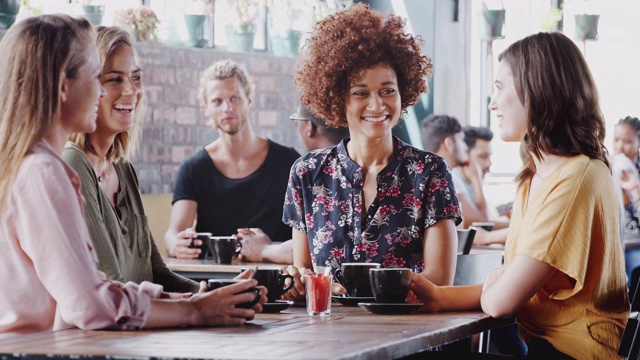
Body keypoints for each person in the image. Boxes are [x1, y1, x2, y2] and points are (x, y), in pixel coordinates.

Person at [0, 14, 266, 336]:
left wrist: (207, 297)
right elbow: (90, 303)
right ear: (62, 86)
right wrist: (194, 310)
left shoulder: (42, 167)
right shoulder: (44, 172)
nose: (104, 91)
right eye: (96, 76)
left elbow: (109, 286)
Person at [409, 32, 629, 359]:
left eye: (500, 88)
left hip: (575, 353)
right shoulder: (533, 177)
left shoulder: (577, 177)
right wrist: (439, 296)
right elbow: (502, 288)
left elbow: (500, 301)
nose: (492, 103)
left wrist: (498, 282)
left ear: (537, 90)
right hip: (545, 348)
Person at [282, 3, 461, 300]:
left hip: (407, 336)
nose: (377, 105)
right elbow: (303, 271)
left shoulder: (430, 172)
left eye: (388, 91)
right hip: (327, 337)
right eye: (361, 93)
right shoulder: (306, 173)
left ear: (404, 91)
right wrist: (301, 283)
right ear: (338, 100)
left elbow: (439, 281)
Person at [62, 26, 198, 294]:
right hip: (105, 334)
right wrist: (198, 305)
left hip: (140, 332)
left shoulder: (123, 169)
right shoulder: (72, 162)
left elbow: (157, 272)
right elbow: (112, 286)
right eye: (114, 79)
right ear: (87, 86)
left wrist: (221, 293)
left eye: (136, 77)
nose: (131, 90)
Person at [164, 59, 301, 259]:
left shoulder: (288, 162)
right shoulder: (193, 168)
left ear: (249, 99)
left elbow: (310, 236)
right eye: (217, 101)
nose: (227, 108)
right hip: (212, 279)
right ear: (206, 108)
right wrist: (176, 245)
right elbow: (173, 233)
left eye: (234, 98)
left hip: (275, 277)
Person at [236, 103, 350, 264]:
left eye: (297, 121)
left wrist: (264, 250)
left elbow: (323, 248)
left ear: (309, 127)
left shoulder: (317, 173)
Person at [421, 115, 508, 232]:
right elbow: (480, 223)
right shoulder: (444, 180)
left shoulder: (434, 176)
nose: (465, 146)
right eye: (461, 140)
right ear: (449, 144)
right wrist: (476, 179)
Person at [612, 116, 640, 284]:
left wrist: (634, 189)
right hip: (618, 246)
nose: (619, 147)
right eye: (616, 140)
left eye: (627, 141)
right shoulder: (608, 168)